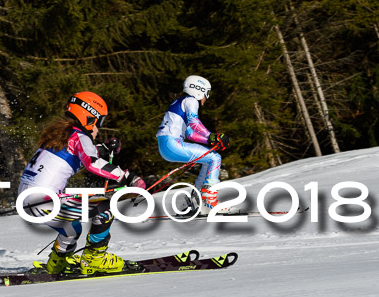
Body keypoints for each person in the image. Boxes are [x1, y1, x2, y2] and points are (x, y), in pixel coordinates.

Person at [18, 91, 145, 275]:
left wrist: (104, 148)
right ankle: (95, 259)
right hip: (44, 200)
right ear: (89, 118)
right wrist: (127, 177)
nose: (98, 129)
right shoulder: (79, 136)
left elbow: (80, 154)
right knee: (104, 208)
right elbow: (91, 162)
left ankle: (57, 265)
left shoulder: (60, 136)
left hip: (29, 200)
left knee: (71, 228)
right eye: (99, 122)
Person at [156, 75, 232, 214]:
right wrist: (212, 136)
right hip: (172, 143)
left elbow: (190, 133)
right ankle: (210, 201)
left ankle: (198, 201)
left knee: (208, 160)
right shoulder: (191, 100)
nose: (206, 98)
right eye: (206, 93)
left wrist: (210, 141)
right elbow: (194, 123)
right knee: (215, 158)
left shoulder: (181, 101)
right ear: (198, 90)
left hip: (167, 144)